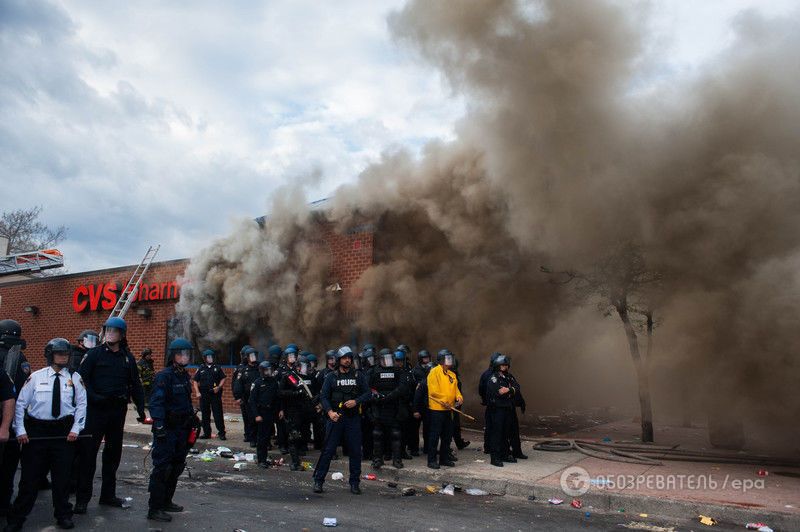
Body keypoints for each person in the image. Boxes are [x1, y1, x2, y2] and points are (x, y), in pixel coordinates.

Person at [4, 338, 87, 531]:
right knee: (29, 480)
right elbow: (21, 404)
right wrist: (21, 430)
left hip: (63, 434)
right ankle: (16, 519)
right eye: (59, 353)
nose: (63, 357)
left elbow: (82, 405)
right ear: (50, 355)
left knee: (62, 479)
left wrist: (76, 429)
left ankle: (63, 515)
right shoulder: (36, 377)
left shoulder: (75, 378)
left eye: (65, 354)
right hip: (36, 433)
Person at [75, 317, 146, 513]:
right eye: (107, 330)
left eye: (114, 331)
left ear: (122, 335)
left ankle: (108, 495)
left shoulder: (127, 357)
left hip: (117, 411)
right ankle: (82, 499)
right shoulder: (94, 354)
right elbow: (81, 381)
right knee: (88, 455)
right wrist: (94, 397)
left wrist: (141, 409)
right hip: (96, 411)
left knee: (113, 455)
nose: (109, 333)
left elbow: (135, 385)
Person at [146, 338, 196, 523]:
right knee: (163, 468)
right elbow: (156, 402)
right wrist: (158, 424)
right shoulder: (164, 376)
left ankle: (167, 501)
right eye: (180, 353)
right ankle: (155, 507)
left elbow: (186, 401)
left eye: (187, 354)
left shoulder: (184, 376)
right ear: (173, 356)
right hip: (167, 429)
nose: (184, 357)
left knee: (177, 466)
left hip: (182, 429)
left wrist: (192, 417)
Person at [312, 346, 371, 495]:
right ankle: (318, 481)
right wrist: (330, 412)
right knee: (328, 451)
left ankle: (354, 483)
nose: (348, 360)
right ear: (339, 360)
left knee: (355, 452)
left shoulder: (358, 375)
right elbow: (324, 397)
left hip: (353, 419)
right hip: (336, 419)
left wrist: (356, 401)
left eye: (349, 358)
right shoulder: (331, 377)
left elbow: (368, 393)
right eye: (345, 358)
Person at [0, 320, 31, 517]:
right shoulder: (20, 357)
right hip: (12, 420)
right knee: (9, 465)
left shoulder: (17, 357)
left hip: (8, 418)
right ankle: (4, 503)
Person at [369, 350, 411, 470]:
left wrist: (390, 396)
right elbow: (368, 388)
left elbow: (403, 388)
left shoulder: (398, 371)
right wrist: (376, 396)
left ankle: (397, 459)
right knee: (377, 435)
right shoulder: (374, 371)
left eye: (390, 359)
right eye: (385, 359)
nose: (387, 362)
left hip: (394, 407)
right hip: (379, 407)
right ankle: (377, 459)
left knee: (396, 434)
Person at [278, 354, 319, 471]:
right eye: (304, 366)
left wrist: (316, 399)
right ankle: (295, 462)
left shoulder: (311, 377)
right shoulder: (289, 376)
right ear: (298, 366)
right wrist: (295, 393)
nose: (306, 368)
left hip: (307, 410)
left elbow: (317, 390)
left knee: (306, 433)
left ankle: (302, 451)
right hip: (293, 410)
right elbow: (280, 393)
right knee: (294, 435)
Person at [426, 349, 462, 469]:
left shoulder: (452, 374)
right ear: (441, 360)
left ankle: (444, 458)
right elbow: (433, 391)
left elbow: (456, 389)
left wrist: (459, 397)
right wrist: (445, 400)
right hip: (437, 409)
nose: (450, 360)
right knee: (434, 436)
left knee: (447, 436)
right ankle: (431, 460)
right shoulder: (434, 372)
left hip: (449, 409)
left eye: (450, 358)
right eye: (448, 358)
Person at [485, 354, 516, 467]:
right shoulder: (493, 378)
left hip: (507, 409)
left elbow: (517, 387)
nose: (505, 367)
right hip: (497, 410)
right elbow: (499, 393)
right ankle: (495, 458)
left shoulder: (509, 377)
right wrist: (509, 392)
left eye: (506, 365)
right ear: (498, 366)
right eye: (503, 365)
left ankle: (505, 454)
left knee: (505, 433)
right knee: (496, 434)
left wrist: (509, 389)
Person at [248, 361, 280, 467]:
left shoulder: (274, 382)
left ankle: (264, 458)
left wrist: (280, 410)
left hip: (271, 412)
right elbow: (252, 401)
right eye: (266, 370)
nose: (268, 372)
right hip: (261, 412)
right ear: (262, 371)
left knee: (267, 437)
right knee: (261, 438)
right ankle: (261, 459)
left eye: (269, 370)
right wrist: (256, 415)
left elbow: (277, 398)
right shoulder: (257, 383)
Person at [192, 349, 226, 440]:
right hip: (204, 394)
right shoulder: (201, 368)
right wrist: (197, 392)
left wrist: (219, 387)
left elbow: (223, 378)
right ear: (204, 358)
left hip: (215, 394)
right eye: (208, 357)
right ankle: (207, 433)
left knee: (218, 414)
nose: (210, 358)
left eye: (211, 357)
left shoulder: (218, 367)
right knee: (205, 414)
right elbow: (195, 381)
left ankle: (222, 433)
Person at [233, 347, 260, 447]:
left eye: (254, 355)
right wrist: (238, 396)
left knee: (262, 421)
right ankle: (252, 439)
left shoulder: (260, 368)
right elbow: (237, 385)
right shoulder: (243, 371)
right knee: (251, 420)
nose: (253, 358)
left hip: (260, 399)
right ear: (247, 358)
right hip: (249, 399)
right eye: (251, 356)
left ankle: (262, 440)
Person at [407, 350, 431, 456]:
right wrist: (414, 408)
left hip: (427, 403)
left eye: (428, 358)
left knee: (428, 428)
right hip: (417, 403)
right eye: (425, 358)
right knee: (414, 429)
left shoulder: (432, 369)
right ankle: (414, 449)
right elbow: (413, 390)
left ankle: (427, 448)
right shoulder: (415, 372)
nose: (427, 360)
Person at [478, 352, 502, 454]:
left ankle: (487, 447)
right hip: (496, 405)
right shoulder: (495, 375)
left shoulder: (486, 374)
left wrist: (485, 400)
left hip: (490, 404)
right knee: (497, 427)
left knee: (489, 427)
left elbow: (481, 389)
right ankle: (495, 448)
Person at [231, 346, 251, 443]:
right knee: (246, 417)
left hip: (253, 397)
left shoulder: (255, 367)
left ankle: (253, 435)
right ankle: (247, 434)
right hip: (244, 397)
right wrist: (237, 396)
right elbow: (234, 383)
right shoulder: (239, 368)